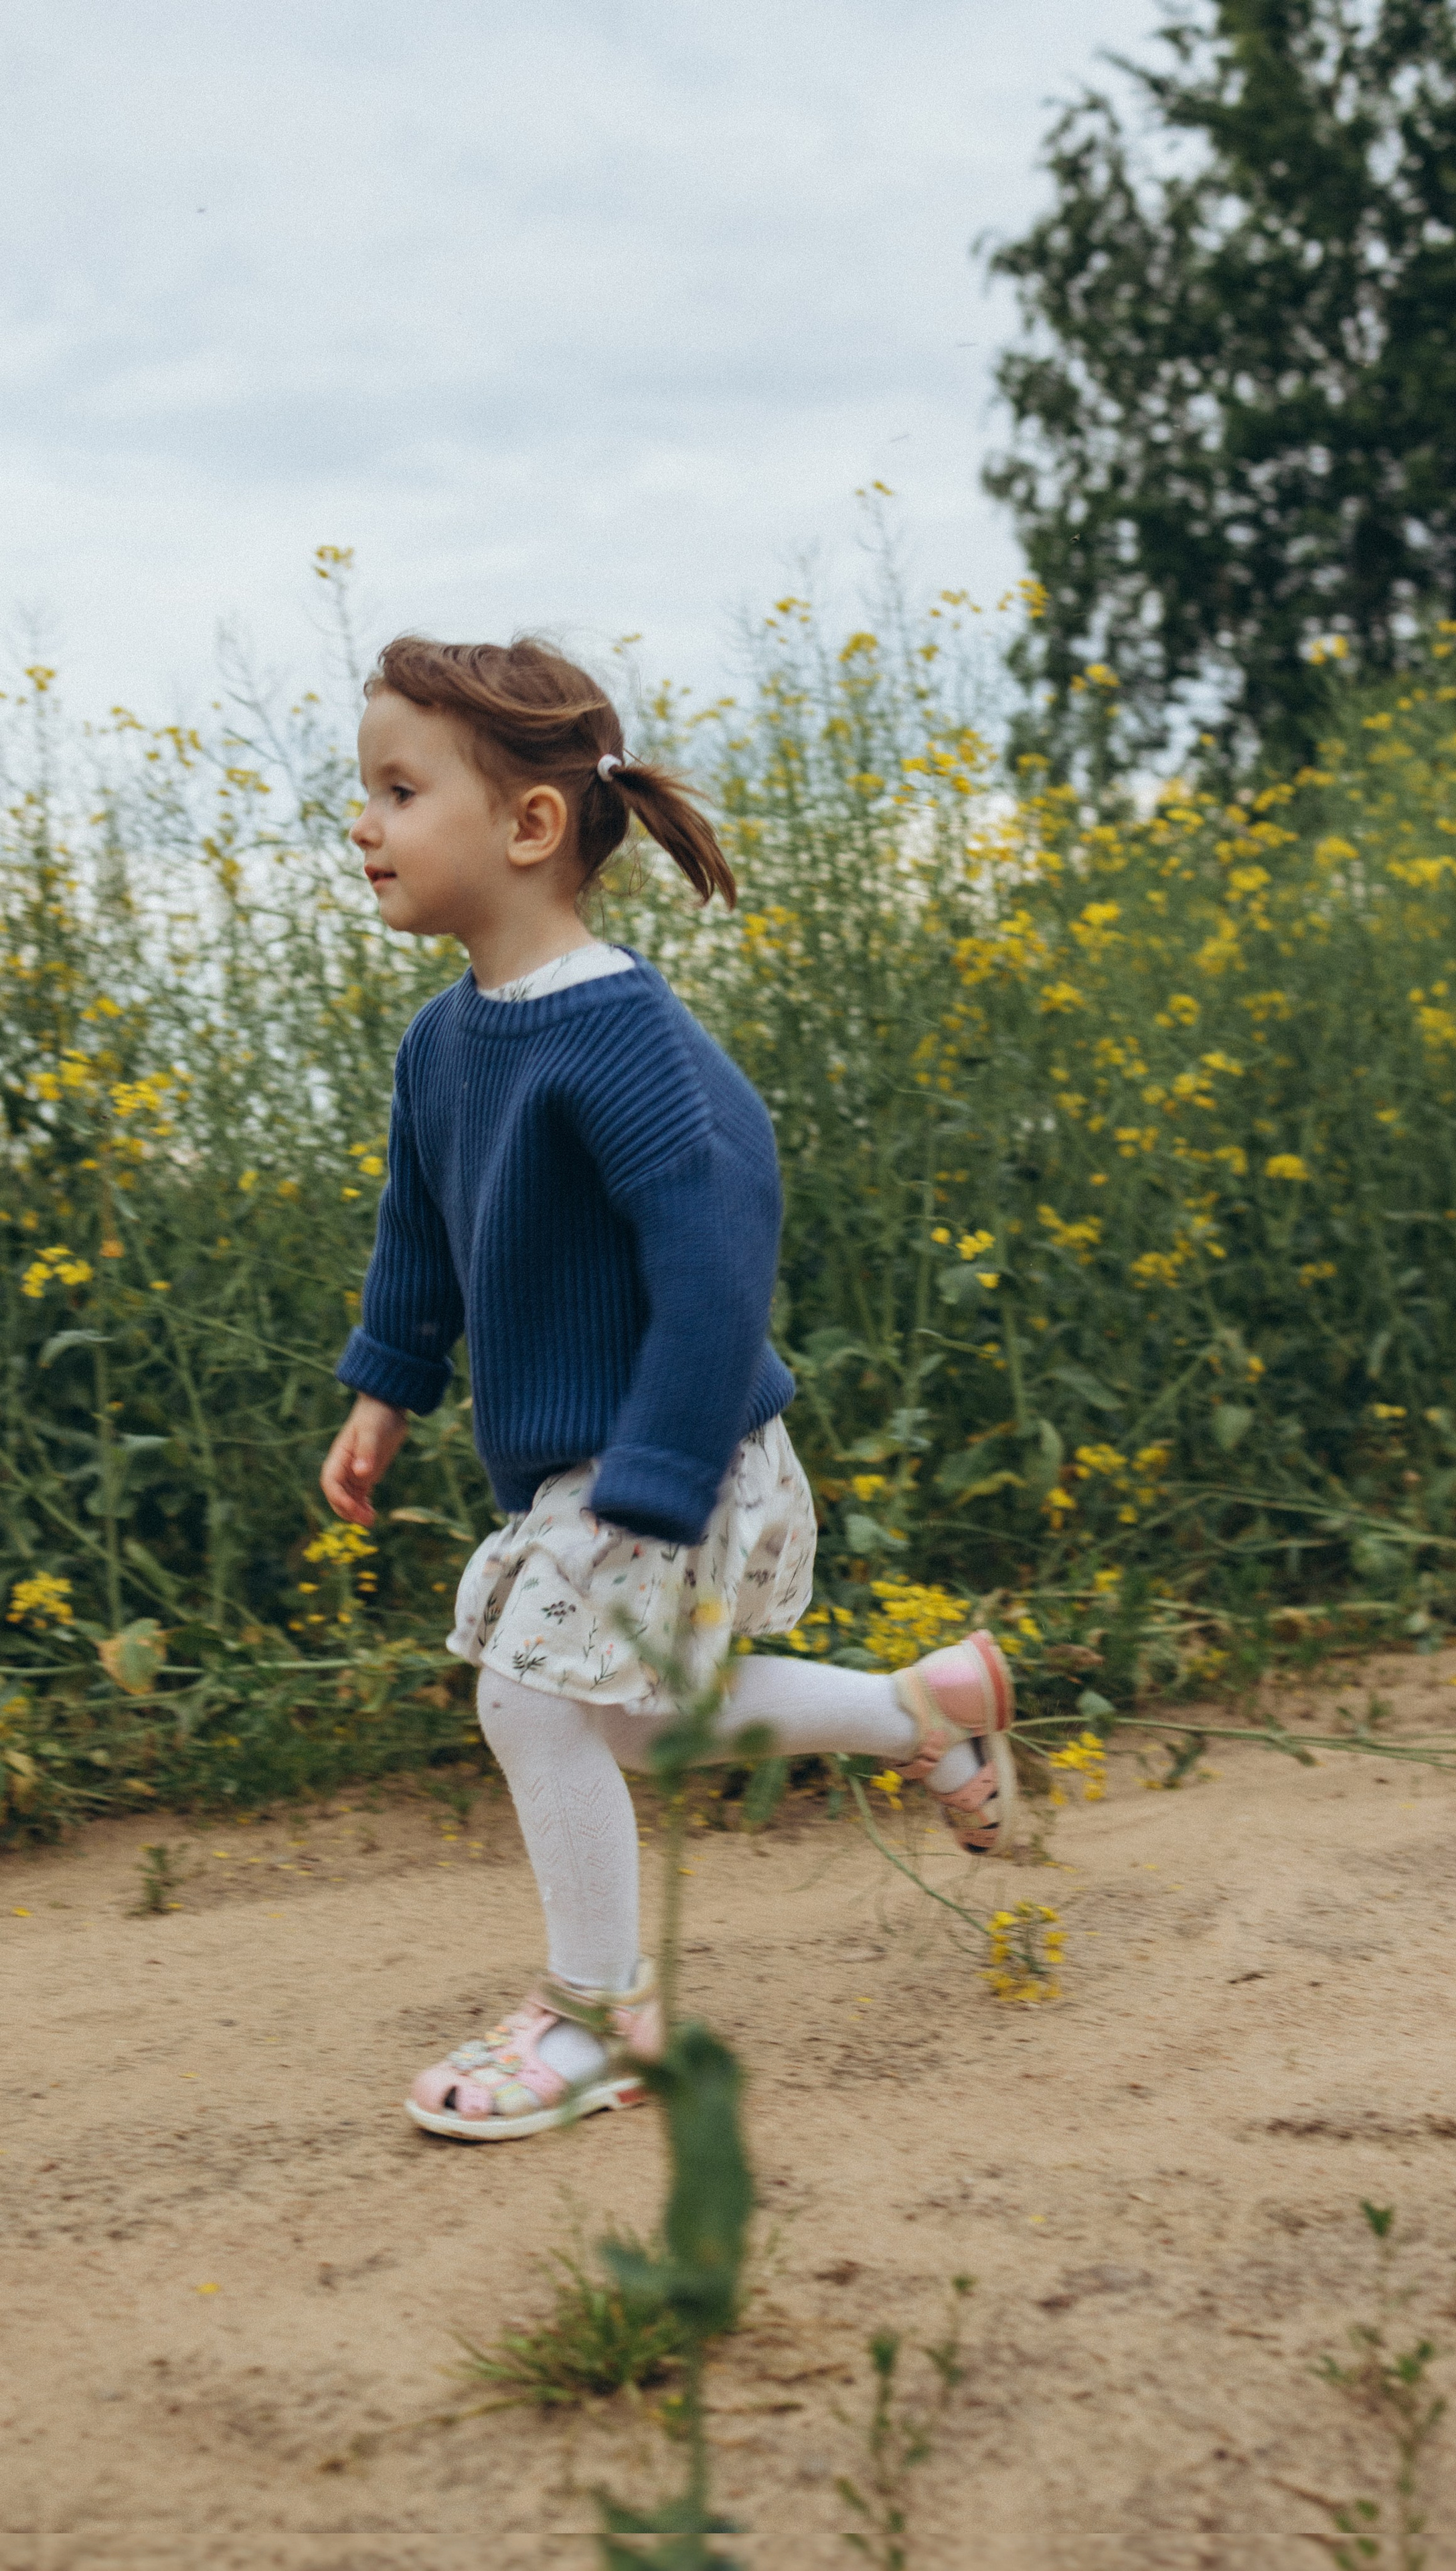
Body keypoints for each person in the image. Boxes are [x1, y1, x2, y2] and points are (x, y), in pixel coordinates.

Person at [319, 635, 1018, 2142]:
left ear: (527, 828)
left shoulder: (623, 1037)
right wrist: (386, 1389)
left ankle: (599, 2019)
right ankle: (920, 1711)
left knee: (529, 1693)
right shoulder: (443, 1045)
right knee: (637, 1719)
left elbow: (716, 1254)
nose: (361, 823)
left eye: (395, 789)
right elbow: (421, 1238)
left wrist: (655, 1472)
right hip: (604, 1456)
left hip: (678, 1445)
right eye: (360, 791)